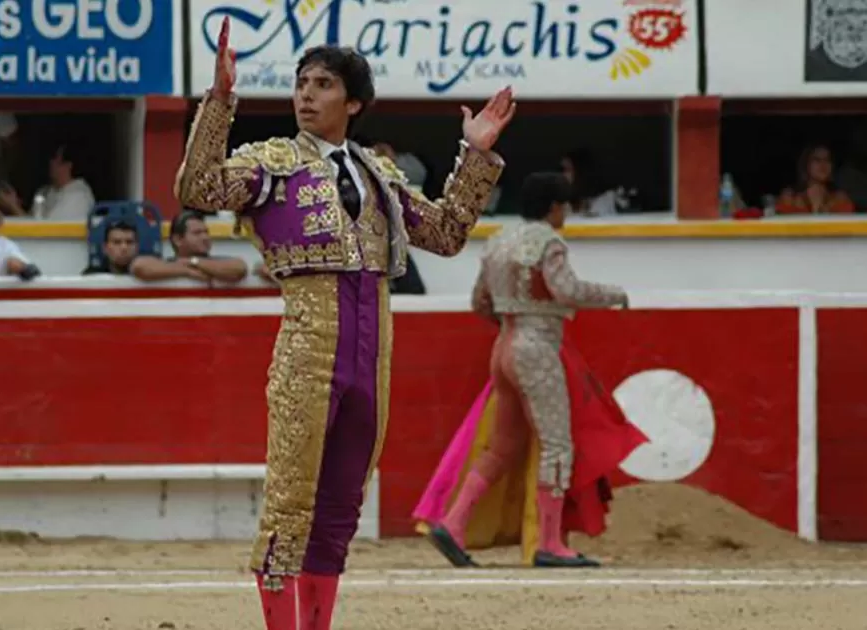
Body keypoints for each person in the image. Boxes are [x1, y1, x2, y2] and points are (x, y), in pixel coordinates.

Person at [174, 18, 513, 630]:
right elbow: (198, 187)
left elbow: (445, 234)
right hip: (308, 352)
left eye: (323, 84)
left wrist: (478, 155)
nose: (305, 94)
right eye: (301, 83)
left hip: (372, 357)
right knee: (289, 504)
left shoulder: (379, 175)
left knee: (338, 511)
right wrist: (220, 102)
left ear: (352, 102)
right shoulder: (272, 162)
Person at [419, 173, 640, 569]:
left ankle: (452, 524)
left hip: (503, 345)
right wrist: (613, 295)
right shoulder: (549, 243)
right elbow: (567, 291)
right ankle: (550, 543)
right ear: (554, 207)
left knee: (502, 447)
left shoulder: (499, 241)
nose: (566, 213)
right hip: (537, 349)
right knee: (557, 444)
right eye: (565, 206)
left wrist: (510, 321)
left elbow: (479, 301)